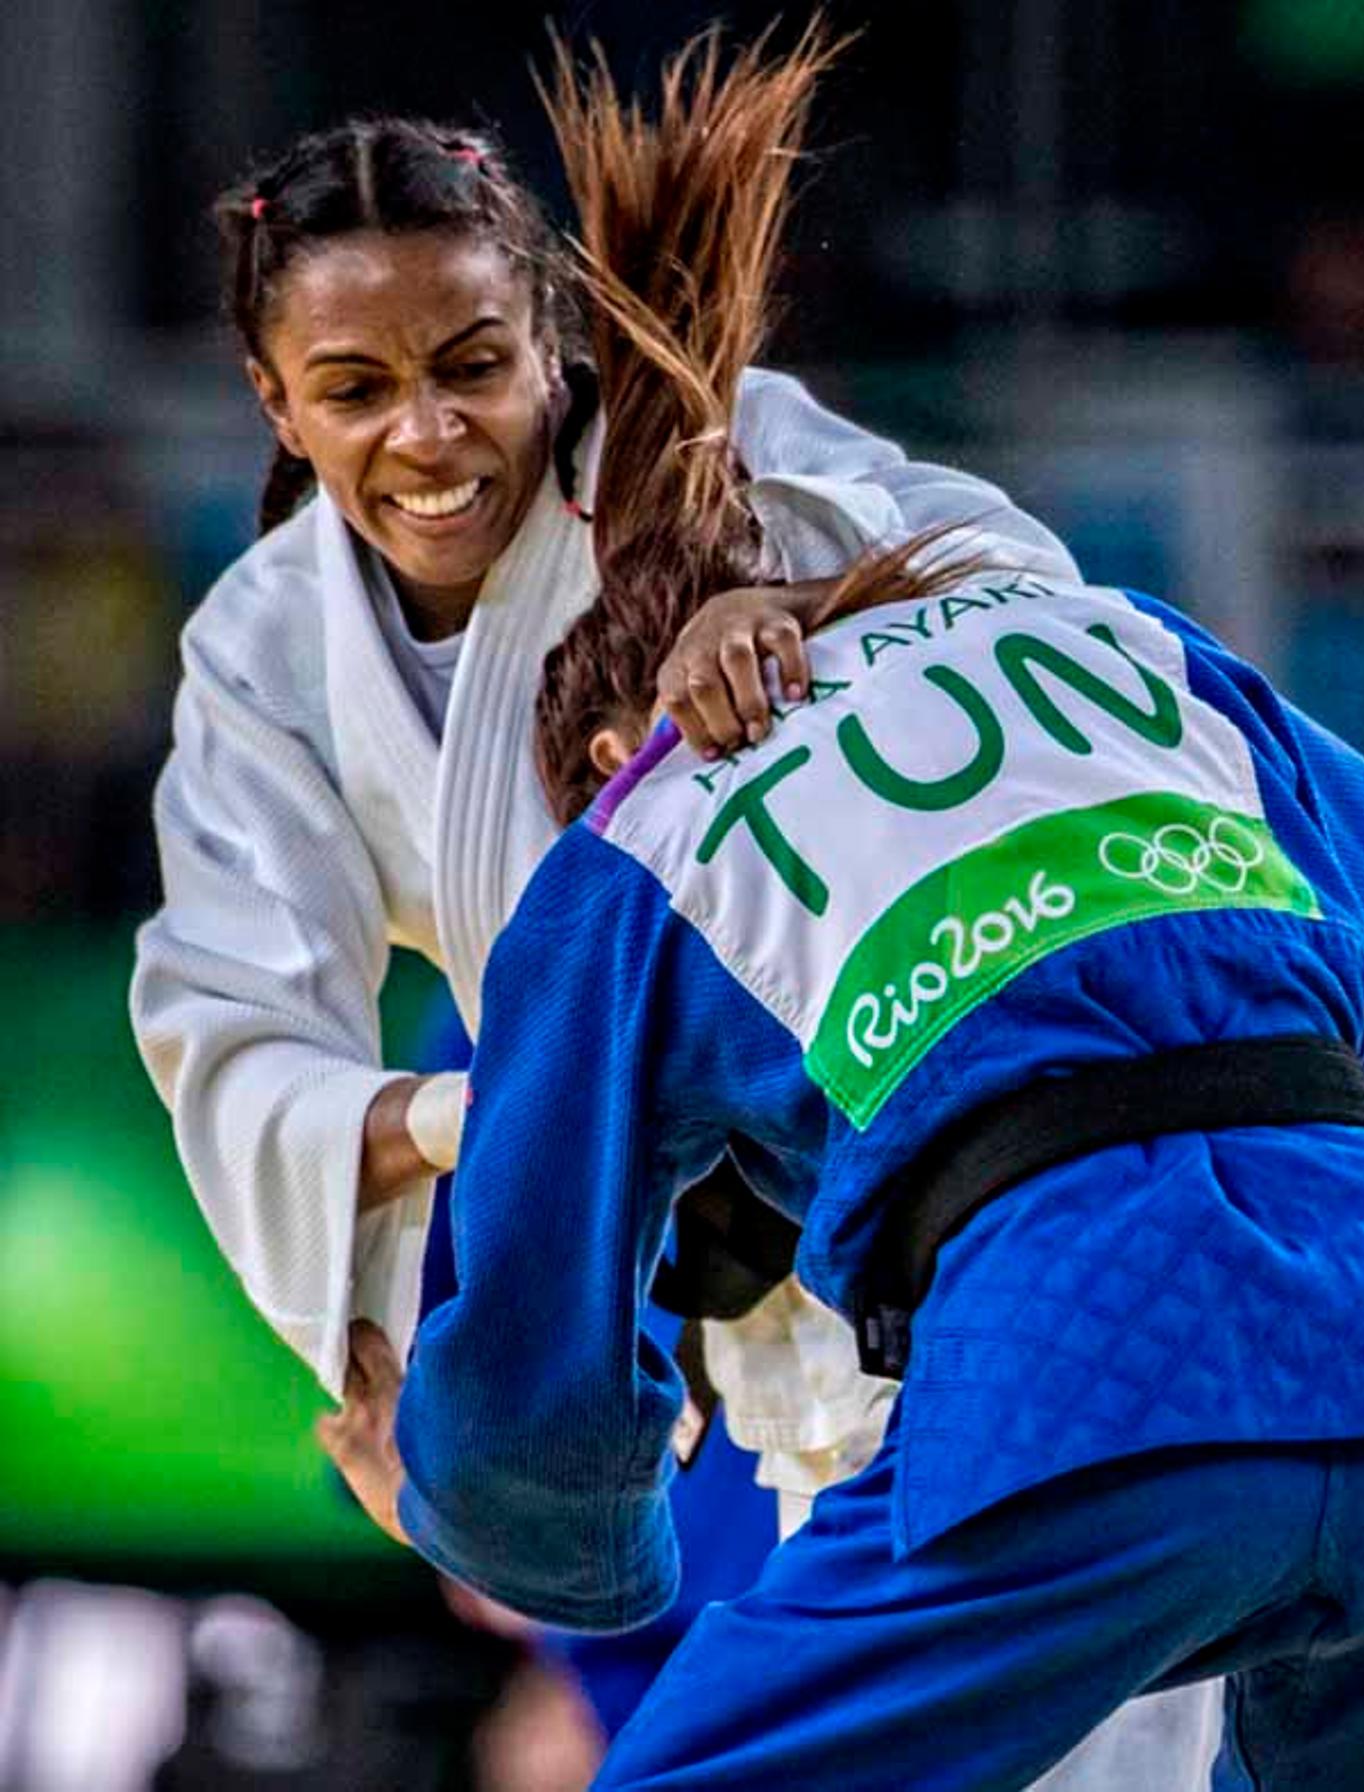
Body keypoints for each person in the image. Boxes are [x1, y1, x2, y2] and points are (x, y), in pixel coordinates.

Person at [314, 29, 1364, 1792]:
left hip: (1080, 1390)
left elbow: (547, 1445)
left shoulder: (631, 838)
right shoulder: (1118, 643)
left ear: (603, 745)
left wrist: (464, 1506)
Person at [130, 26, 1223, 1789]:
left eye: (475, 362)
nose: (428, 433)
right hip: (744, 1312)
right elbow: (240, 1054)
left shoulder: (728, 456)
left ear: (550, 333)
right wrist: (495, 1134)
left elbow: (1040, 612)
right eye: (352, 389)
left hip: (985, 1205)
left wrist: (812, 617)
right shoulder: (266, 657)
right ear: (272, 399)